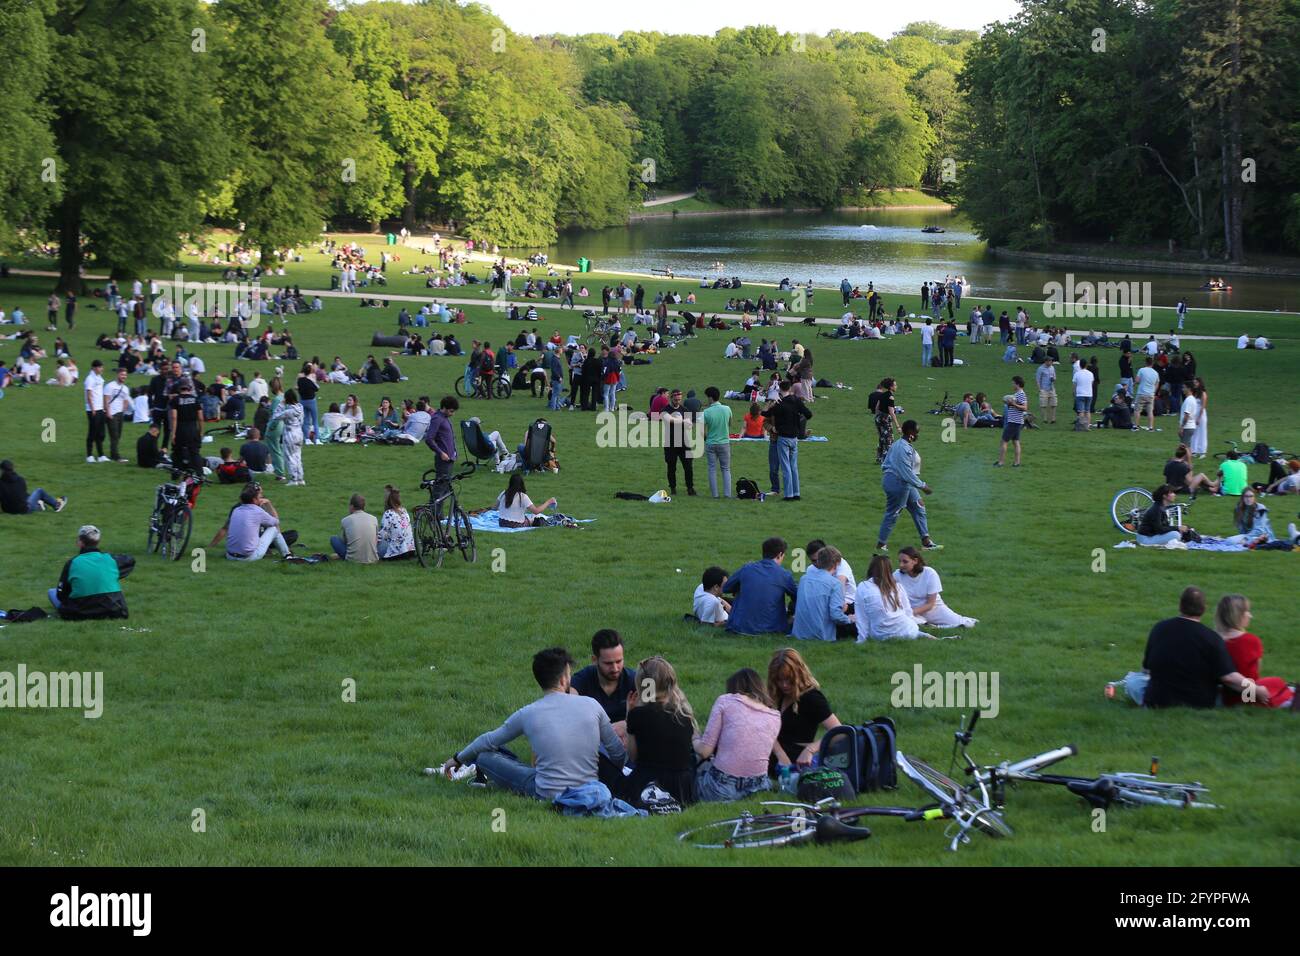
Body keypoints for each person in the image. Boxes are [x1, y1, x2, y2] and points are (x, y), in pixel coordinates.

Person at [443, 647, 627, 801]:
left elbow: (489, 740)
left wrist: (458, 758)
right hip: (589, 788)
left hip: (546, 792)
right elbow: (617, 753)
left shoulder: (529, 713)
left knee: (484, 756)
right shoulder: (592, 705)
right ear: (564, 678)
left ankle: (480, 773)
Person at [1142, 587, 1267, 708]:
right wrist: (1256, 690)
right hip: (1197, 701)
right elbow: (1229, 677)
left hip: (1157, 698)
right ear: (1204, 608)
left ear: (1180, 605)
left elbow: (1146, 670)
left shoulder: (1159, 628)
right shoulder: (1211, 638)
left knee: (1134, 681)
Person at [693, 669, 781, 802]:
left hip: (721, 787)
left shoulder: (726, 701)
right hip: (759, 787)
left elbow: (705, 752)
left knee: (690, 771)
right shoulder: (775, 716)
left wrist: (694, 737)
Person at [622, 656, 699, 805]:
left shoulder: (637, 715)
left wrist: (629, 716)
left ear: (644, 684)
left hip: (647, 784)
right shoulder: (684, 715)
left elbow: (633, 756)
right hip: (682, 788)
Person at [1214, 595, 1295, 709]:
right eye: (1247, 611)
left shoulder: (1213, 639)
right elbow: (1255, 672)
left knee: (1276, 682)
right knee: (1277, 683)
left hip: (1223, 695)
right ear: (1238, 616)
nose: (1250, 616)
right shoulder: (1250, 641)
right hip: (1249, 696)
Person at [767, 649, 841, 774]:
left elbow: (839, 732)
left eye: (788, 680)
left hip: (796, 758)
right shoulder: (778, 695)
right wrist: (780, 754)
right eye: (779, 680)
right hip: (775, 753)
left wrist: (810, 750)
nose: (784, 685)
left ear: (798, 675)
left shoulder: (811, 698)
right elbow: (767, 729)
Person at [876, 420, 941, 552]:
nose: (918, 435)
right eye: (917, 432)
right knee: (894, 513)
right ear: (911, 432)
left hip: (905, 483)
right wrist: (923, 486)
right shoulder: (902, 448)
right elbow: (906, 473)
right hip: (897, 483)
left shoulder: (903, 445)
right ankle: (881, 544)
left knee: (919, 507)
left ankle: (926, 541)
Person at [48, 525, 129, 620]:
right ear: (98, 541)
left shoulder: (73, 562)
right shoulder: (111, 559)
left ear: (80, 542)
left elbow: (61, 595)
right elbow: (129, 560)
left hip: (80, 613)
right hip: (114, 611)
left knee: (52, 592)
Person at [723, 537, 797, 635]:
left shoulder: (747, 568)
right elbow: (798, 596)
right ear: (780, 555)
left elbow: (726, 588)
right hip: (772, 630)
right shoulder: (784, 575)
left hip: (739, 628)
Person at [569, 629, 638, 731]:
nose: (615, 668)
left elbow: (652, 715)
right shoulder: (583, 679)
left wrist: (627, 722)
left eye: (619, 661)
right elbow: (566, 703)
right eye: (608, 663)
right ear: (594, 660)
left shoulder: (635, 680)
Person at [895, 546, 978, 628]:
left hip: (934, 610)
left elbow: (930, 604)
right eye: (900, 561)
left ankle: (965, 620)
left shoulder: (929, 573)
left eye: (905, 562)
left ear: (915, 561)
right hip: (912, 612)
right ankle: (928, 625)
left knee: (963, 624)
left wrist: (910, 612)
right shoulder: (896, 575)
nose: (901, 565)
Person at [855, 554, 927, 640]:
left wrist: (861, 640)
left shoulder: (863, 587)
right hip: (908, 631)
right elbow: (908, 612)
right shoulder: (898, 587)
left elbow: (861, 617)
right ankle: (920, 634)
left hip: (881, 635)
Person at [791, 545, 855, 641]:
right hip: (820, 635)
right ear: (836, 563)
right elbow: (836, 615)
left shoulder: (804, 579)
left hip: (799, 633)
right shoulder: (834, 583)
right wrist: (850, 619)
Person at [215, 482, 292, 561]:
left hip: (230, 556)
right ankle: (287, 555)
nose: (261, 497)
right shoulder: (257, 511)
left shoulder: (236, 510)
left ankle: (275, 551)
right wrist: (269, 504)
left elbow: (225, 528)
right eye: (259, 496)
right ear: (254, 500)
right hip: (249, 557)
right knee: (273, 529)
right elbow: (276, 522)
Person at [768, 380, 811, 500]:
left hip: (783, 438)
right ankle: (796, 493)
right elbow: (808, 414)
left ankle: (788, 495)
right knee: (794, 467)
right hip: (794, 438)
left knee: (786, 467)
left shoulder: (779, 405)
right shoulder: (796, 401)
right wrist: (798, 421)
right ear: (790, 388)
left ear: (780, 390)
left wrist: (771, 405)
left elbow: (765, 414)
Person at [661, 389, 697, 497]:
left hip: (684, 442)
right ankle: (673, 488)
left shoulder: (684, 409)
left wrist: (687, 423)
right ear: (671, 398)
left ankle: (690, 488)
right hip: (670, 443)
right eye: (676, 399)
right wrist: (683, 421)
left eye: (679, 399)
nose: (677, 401)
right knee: (671, 467)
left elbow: (690, 426)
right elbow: (669, 420)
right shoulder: (665, 410)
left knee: (688, 466)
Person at [700, 386, 733, 498]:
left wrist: (707, 438)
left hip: (711, 443)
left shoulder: (706, 412)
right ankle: (727, 494)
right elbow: (729, 424)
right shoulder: (727, 409)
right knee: (726, 469)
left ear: (710, 397)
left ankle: (715, 495)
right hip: (724, 442)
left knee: (712, 469)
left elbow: (702, 432)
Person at [0, 460, 66, 514]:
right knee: (39, 491)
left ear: (2, 470)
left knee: (29, 501)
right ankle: (56, 504)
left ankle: (39, 505)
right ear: (13, 468)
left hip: (7, 510)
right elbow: (22, 495)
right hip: (24, 510)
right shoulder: (20, 479)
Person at [273, 389, 306, 486]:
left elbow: (275, 416)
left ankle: (293, 479)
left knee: (289, 457)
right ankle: (300, 478)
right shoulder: (300, 407)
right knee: (297, 456)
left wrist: (281, 404)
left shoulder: (288, 411)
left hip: (290, 434)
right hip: (299, 433)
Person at [424, 396, 458, 484]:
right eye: (451, 411)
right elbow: (429, 439)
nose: (452, 414)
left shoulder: (444, 418)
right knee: (440, 489)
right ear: (444, 408)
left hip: (450, 459)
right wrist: (441, 453)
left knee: (446, 488)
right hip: (443, 460)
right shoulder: (437, 419)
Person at [995, 375, 1028, 467]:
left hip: (1014, 422)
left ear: (1017, 384)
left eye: (1013, 383)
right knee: (1015, 441)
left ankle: (1001, 462)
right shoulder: (1017, 394)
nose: (1012, 385)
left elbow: (1025, 407)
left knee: (1003, 441)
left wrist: (1013, 404)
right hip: (1016, 422)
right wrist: (1009, 403)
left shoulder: (1021, 394)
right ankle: (1017, 463)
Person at [376, 484, 415, 560]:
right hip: (410, 550)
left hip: (397, 553)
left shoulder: (388, 514)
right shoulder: (404, 511)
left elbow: (382, 535)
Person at [868, 378, 901, 462]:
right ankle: (887, 460)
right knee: (889, 439)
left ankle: (879, 458)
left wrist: (877, 417)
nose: (896, 386)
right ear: (891, 387)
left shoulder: (882, 395)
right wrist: (897, 426)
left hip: (878, 418)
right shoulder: (890, 397)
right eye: (895, 385)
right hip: (885, 419)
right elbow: (891, 412)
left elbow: (876, 408)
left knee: (882, 438)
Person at [83, 359, 108, 463]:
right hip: (93, 410)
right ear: (94, 368)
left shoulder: (99, 378)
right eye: (99, 367)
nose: (101, 369)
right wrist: (92, 408)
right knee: (92, 433)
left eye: (102, 367)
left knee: (101, 433)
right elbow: (89, 395)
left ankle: (101, 455)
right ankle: (89, 455)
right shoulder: (90, 379)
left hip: (100, 409)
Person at [1134, 355, 1160, 430]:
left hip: (1141, 393)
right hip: (1150, 394)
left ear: (1145, 362)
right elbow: (1157, 384)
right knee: (1150, 411)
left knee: (1137, 410)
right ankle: (1151, 427)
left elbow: (1137, 380)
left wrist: (1136, 383)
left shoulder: (1141, 370)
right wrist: (1153, 391)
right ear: (1152, 363)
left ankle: (1136, 426)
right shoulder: (1155, 373)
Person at [1072, 359, 1094, 429]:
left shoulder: (1077, 374)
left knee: (1081, 411)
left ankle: (1081, 426)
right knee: (1087, 411)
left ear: (1080, 365)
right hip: (1089, 394)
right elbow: (1092, 383)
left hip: (1080, 394)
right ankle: (1087, 425)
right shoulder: (1090, 373)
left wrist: (1074, 393)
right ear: (1086, 365)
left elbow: (1074, 385)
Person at [1035, 357, 1057, 425]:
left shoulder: (1052, 368)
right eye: (1050, 361)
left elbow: (1055, 377)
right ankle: (1045, 419)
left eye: (1051, 361)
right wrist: (1040, 390)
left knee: (1054, 404)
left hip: (1052, 388)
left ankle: (1053, 419)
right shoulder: (1040, 369)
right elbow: (1038, 380)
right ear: (1046, 361)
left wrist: (1053, 379)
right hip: (1044, 389)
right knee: (1043, 405)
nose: (1051, 363)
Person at [1178, 382, 1200, 449]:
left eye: (1184, 387)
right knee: (1187, 447)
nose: (1182, 389)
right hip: (1190, 426)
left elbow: (1186, 416)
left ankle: (1186, 459)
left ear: (1189, 389)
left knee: (1184, 447)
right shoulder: (1192, 399)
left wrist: (1182, 427)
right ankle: (1186, 459)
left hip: (1187, 427)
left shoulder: (1188, 400)